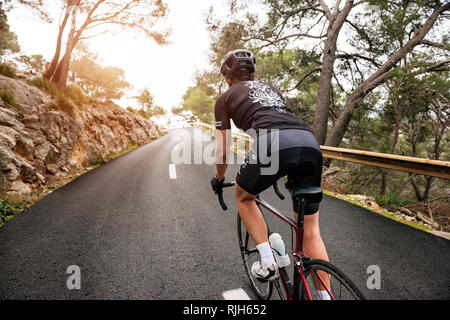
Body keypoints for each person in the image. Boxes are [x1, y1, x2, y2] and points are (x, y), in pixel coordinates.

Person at [210, 49, 329, 287]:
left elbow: (223, 150)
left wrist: (219, 178)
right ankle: (325, 296)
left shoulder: (224, 98)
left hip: (273, 143)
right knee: (311, 231)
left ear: (226, 78)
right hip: (308, 142)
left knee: (244, 197)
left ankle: (268, 262)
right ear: (253, 75)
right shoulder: (272, 89)